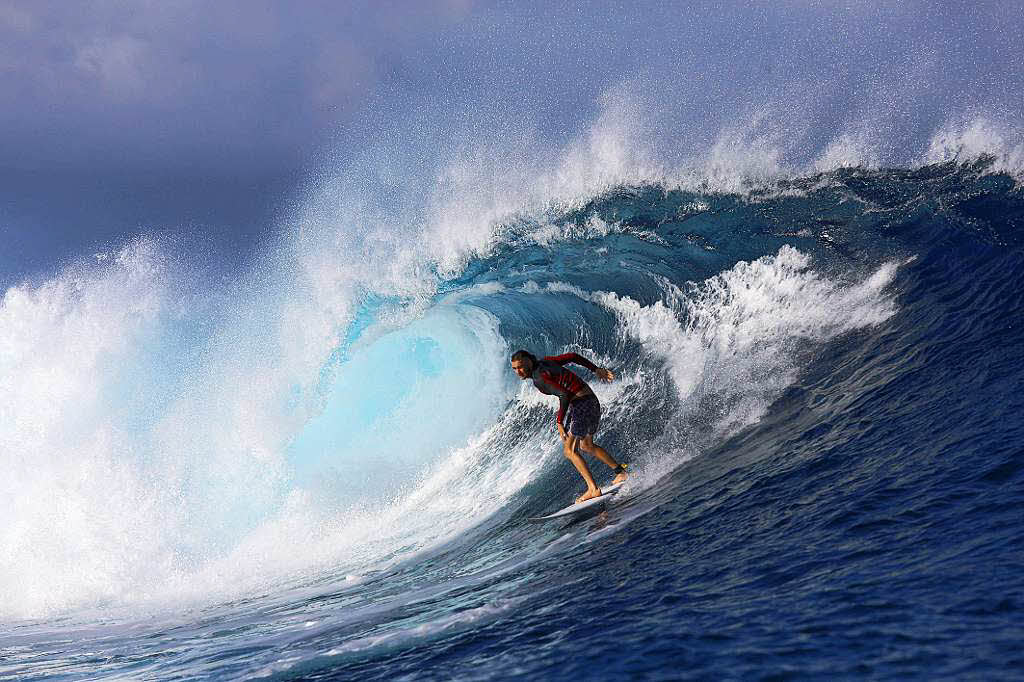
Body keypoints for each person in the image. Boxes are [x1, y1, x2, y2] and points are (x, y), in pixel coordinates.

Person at [510, 349, 628, 503]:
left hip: (582, 405)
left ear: (528, 362)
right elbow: (572, 356)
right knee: (586, 445)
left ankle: (593, 489)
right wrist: (595, 369)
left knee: (569, 450)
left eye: (520, 367)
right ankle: (620, 472)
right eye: (514, 369)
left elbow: (564, 394)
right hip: (590, 401)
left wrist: (559, 422)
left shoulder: (539, 379)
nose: (518, 372)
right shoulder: (547, 361)